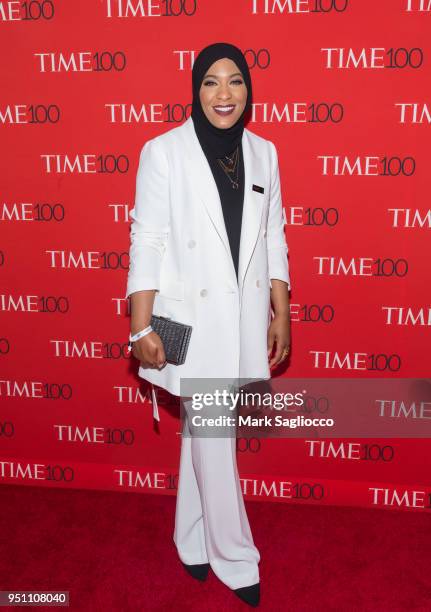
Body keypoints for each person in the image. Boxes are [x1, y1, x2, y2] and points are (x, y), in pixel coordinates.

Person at [126, 42, 292, 608]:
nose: (224, 94)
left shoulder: (265, 152)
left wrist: (281, 310)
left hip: (243, 319)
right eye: (211, 82)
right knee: (215, 437)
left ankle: (191, 539)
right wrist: (138, 327)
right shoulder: (163, 152)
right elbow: (146, 240)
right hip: (191, 323)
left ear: (249, 89)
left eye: (236, 82)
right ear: (195, 90)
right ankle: (235, 555)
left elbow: (273, 236)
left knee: (204, 433)